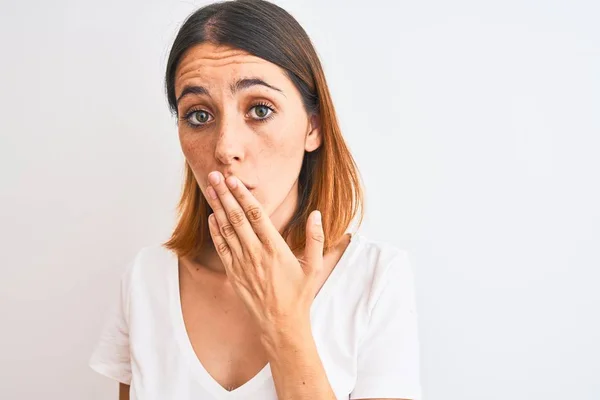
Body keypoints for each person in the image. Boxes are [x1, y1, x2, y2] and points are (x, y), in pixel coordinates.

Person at [88, 0, 422, 399]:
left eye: (260, 109)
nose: (226, 147)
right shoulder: (146, 280)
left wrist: (284, 325)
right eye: (198, 115)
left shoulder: (374, 281)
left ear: (312, 127)